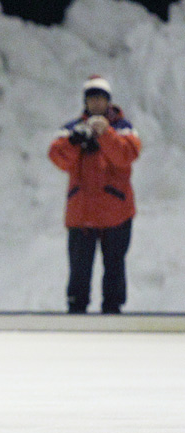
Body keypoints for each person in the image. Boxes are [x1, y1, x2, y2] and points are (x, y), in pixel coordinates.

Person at [49, 74, 141, 314]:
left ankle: (113, 310)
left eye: (101, 98)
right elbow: (57, 157)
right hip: (82, 215)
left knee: (115, 267)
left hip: (116, 213)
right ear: (86, 102)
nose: (96, 103)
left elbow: (126, 156)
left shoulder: (123, 128)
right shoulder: (72, 130)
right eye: (92, 99)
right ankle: (76, 309)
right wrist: (75, 141)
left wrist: (105, 134)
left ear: (108, 102)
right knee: (79, 270)